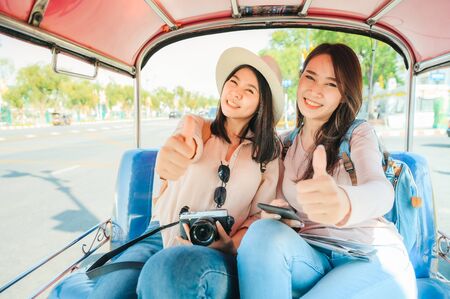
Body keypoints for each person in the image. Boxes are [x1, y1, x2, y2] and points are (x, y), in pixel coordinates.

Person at [48, 47, 284, 299]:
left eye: (249, 90)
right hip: (160, 234)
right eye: (233, 82)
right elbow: (178, 150)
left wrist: (230, 245)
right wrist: (171, 158)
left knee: (167, 278)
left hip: (217, 250)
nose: (236, 92)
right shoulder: (198, 127)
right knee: (108, 293)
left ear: (262, 103)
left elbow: (259, 216)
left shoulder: (269, 153)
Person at [236, 43, 417, 298]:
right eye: (309, 77)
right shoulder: (284, 144)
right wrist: (284, 218)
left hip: (368, 256)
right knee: (262, 232)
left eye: (331, 84)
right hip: (312, 255)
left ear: (344, 94)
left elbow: (380, 190)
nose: (314, 90)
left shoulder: (358, 134)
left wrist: (344, 203)